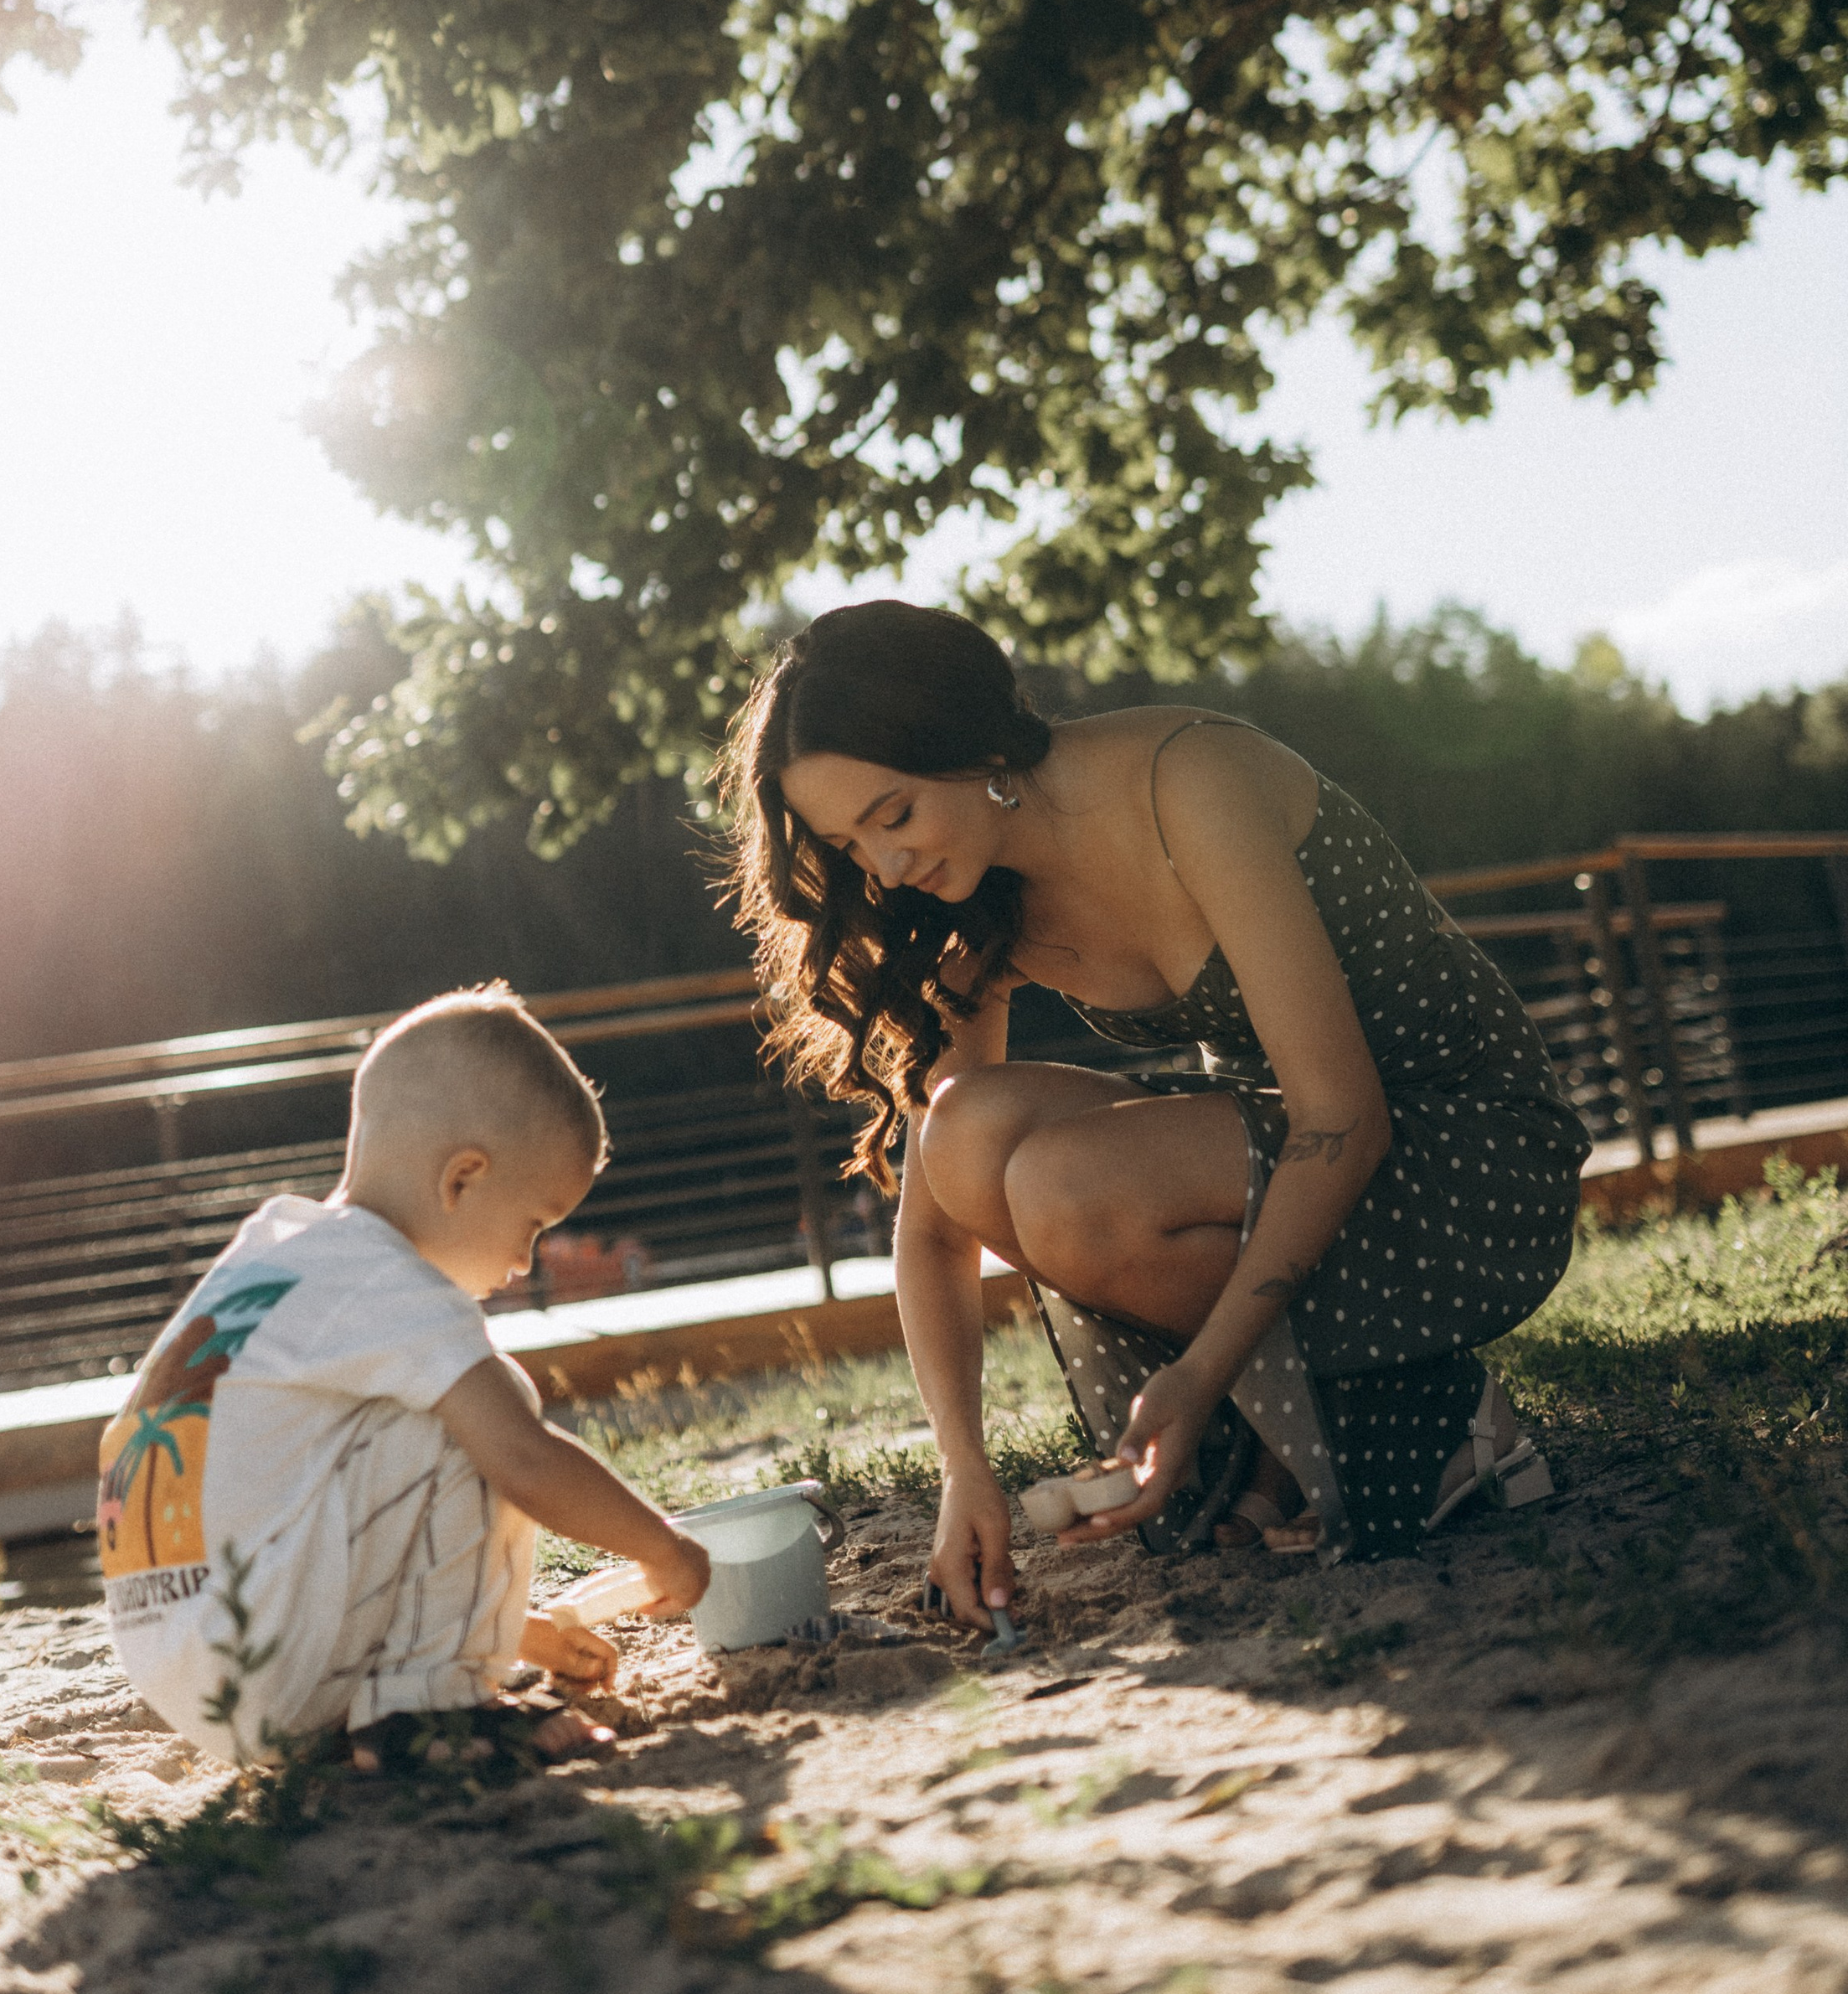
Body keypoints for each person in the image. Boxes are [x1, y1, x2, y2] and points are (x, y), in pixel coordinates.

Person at [720, 602, 1588, 1622]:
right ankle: (1294, 1434)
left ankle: (1438, 1417)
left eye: (894, 814)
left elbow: (1343, 1112)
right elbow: (932, 1222)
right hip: (1297, 1155)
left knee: (1065, 1182)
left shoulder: (1189, 782)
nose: (886, 867)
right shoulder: (971, 898)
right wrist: (966, 1467)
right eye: (848, 842)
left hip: (1466, 1152)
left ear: (975, 745)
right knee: (963, 1131)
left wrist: (1200, 1372)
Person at [98, 984, 710, 1761]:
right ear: (461, 1180)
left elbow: (274, 1507)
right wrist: (662, 1548)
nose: (525, 1265)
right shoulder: (386, 1278)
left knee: (431, 1404)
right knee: (492, 1404)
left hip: (194, 1666)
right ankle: (425, 1718)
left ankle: (408, 1695)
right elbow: (524, 1459)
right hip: (261, 1657)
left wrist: (514, 1636)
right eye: (533, 1226)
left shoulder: (276, 1253)